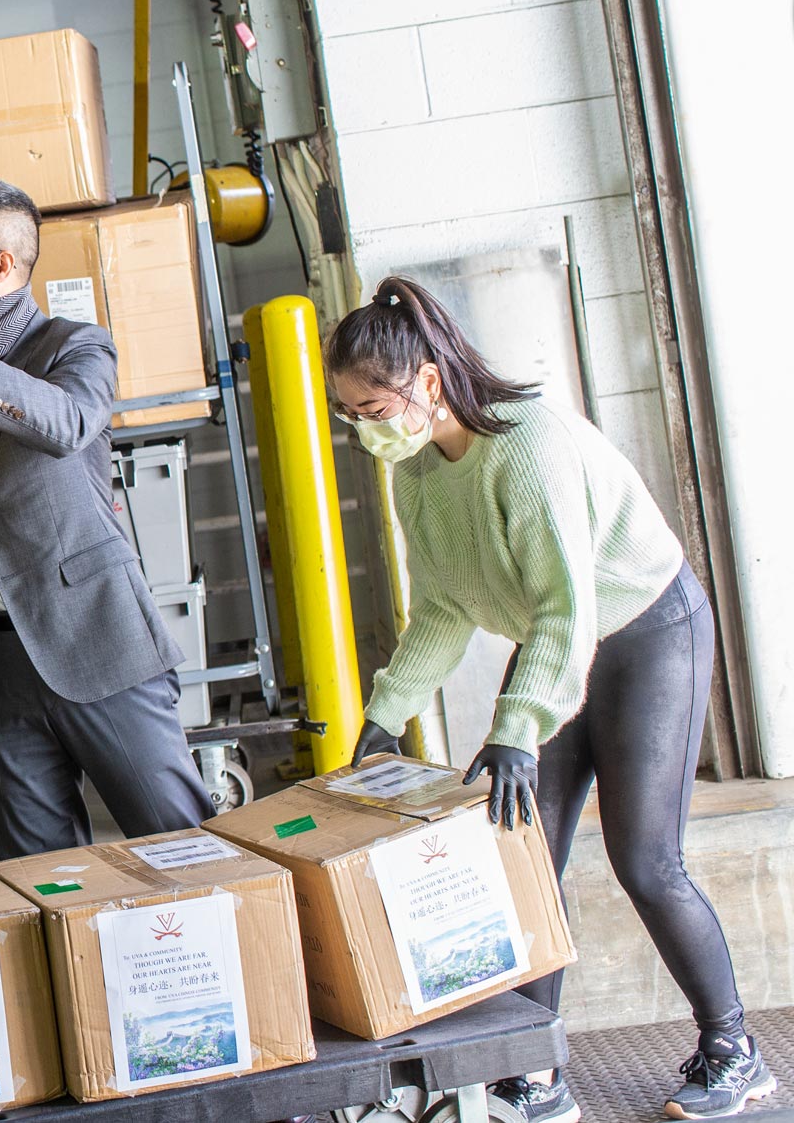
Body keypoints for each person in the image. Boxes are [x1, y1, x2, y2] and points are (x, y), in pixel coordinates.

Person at [333, 277, 772, 1123]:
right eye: (349, 413)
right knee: (521, 860)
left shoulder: (525, 445)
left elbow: (571, 608)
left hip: (645, 630)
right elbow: (446, 606)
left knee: (646, 858)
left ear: (427, 382)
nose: (363, 428)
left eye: (371, 406)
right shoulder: (419, 474)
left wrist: (516, 732)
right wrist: (385, 714)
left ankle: (734, 1050)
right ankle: (531, 1067)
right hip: (559, 644)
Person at [0, 177, 213, 860]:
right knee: (44, 875)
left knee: (183, 849)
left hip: (94, 640)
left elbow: (69, 421)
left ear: (1, 264)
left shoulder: (74, 345)